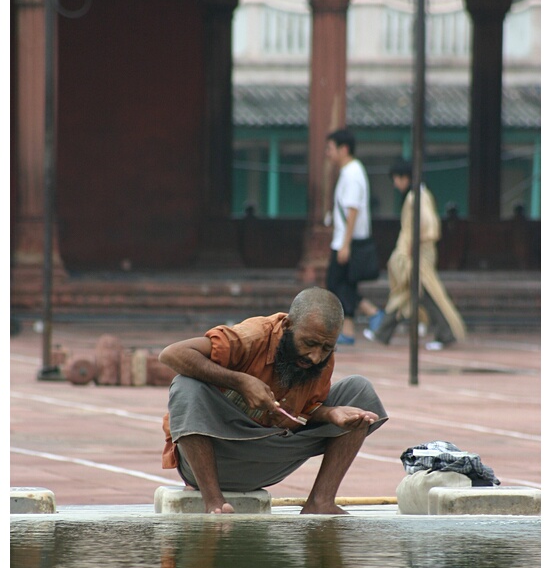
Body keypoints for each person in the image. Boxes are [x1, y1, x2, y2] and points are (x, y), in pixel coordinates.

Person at [159, 287, 388, 515]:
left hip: (272, 455)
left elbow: (301, 413)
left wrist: (330, 414)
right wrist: (240, 382)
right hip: (218, 459)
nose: (315, 356)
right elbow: (171, 354)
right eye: (308, 343)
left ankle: (320, 502)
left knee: (360, 391)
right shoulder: (252, 335)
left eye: (327, 348)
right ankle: (215, 503)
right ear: (287, 325)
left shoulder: (320, 358)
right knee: (186, 385)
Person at [364, 158, 466, 350]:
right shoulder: (419, 194)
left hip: (418, 253)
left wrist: (413, 244)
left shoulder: (415, 196)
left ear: (405, 177)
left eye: (396, 178)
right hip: (416, 252)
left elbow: (426, 224)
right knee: (408, 293)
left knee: (425, 293)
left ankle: (445, 334)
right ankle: (382, 333)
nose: (395, 183)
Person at [325, 128, 384, 346]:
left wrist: (345, 244)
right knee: (343, 285)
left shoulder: (352, 173)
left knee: (336, 283)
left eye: (330, 148)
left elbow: (352, 210)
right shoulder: (349, 171)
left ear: (344, 149)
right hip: (345, 239)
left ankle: (371, 313)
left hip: (348, 240)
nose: (328, 153)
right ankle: (355, 326)